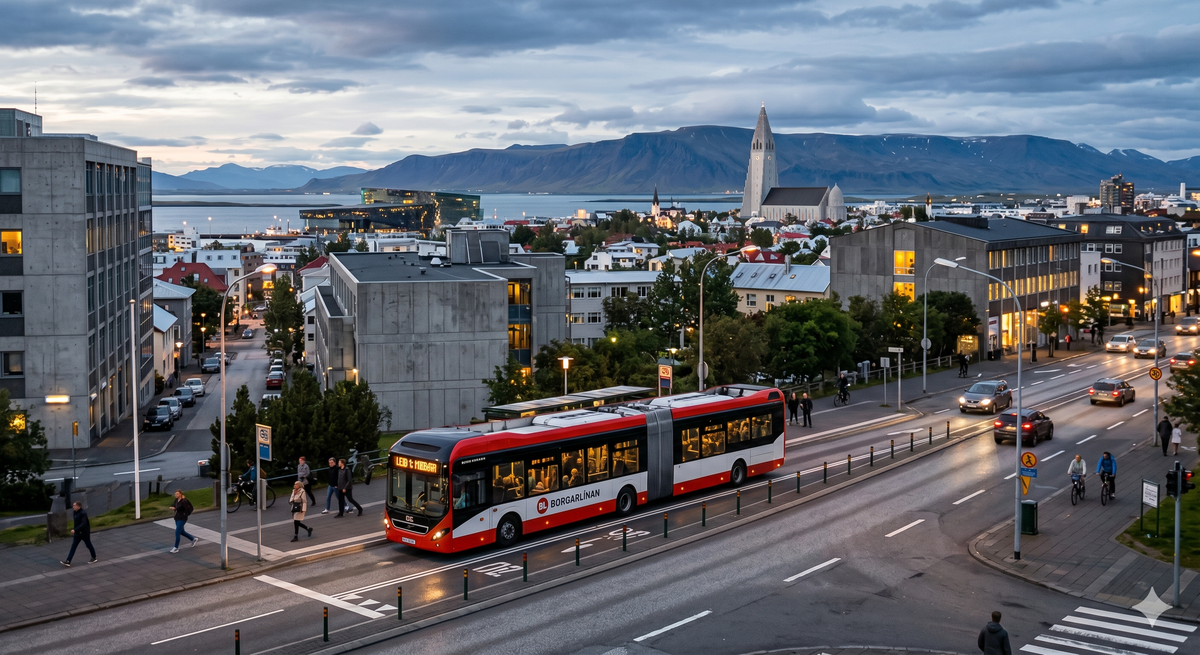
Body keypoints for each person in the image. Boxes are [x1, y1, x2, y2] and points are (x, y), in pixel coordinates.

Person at [60, 501, 96, 567]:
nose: (73, 507)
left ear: (79, 506)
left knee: (88, 545)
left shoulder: (83, 513)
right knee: (73, 546)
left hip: (84, 533)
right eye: (73, 505)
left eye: (74, 505)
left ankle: (94, 557)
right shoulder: (75, 512)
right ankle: (68, 561)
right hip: (77, 534)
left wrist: (75, 529)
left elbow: (83, 524)